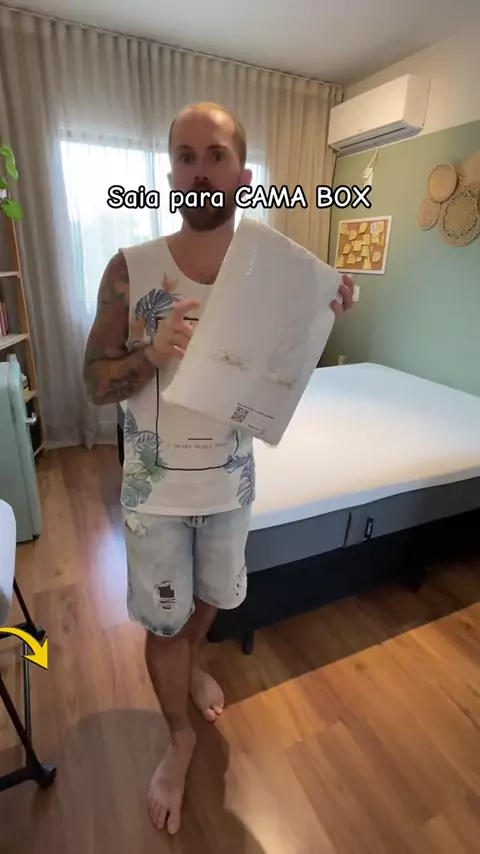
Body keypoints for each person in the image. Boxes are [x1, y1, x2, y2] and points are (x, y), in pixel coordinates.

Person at [83, 101, 355, 835]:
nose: (201, 171)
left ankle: (195, 662)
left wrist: (325, 313)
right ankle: (178, 736)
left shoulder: (274, 273)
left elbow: (284, 367)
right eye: (186, 157)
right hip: (155, 492)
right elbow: (94, 383)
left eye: (216, 156)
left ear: (243, 174)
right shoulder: (131, 269)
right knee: (164, 623)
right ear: (170, 173)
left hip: (231, 482)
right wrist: (151, 353)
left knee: (212, 599)